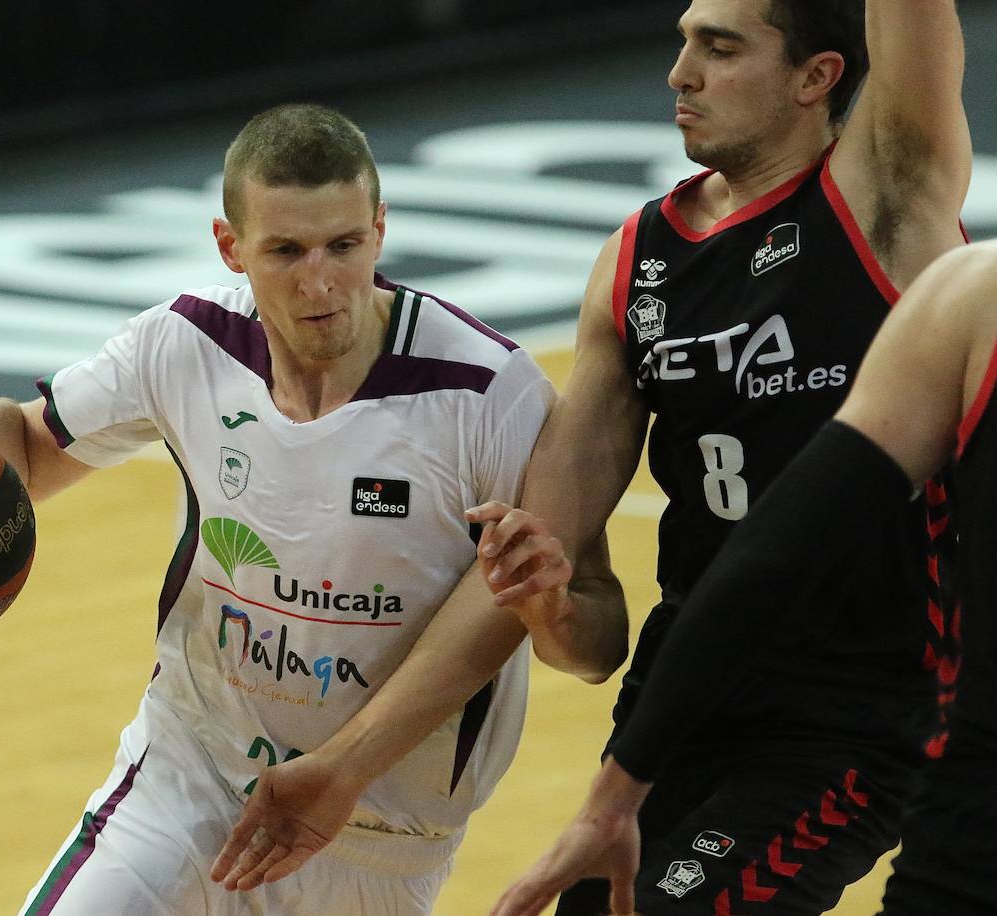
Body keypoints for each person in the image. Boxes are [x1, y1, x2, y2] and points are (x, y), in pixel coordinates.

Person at [0, 103, 621, 915]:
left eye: (344, 246)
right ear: (230, 246)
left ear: (380, 230)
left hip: (379, 841)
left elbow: (597, 646)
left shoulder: (490, 393)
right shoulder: (186, 342)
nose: (320, 281)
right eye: (286, 251)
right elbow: (27, 447)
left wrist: (550, 611)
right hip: (189, 785)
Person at [409, 1, 973, 914]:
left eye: (719, 48)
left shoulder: (884, 198)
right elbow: (586, 640)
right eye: (683, 42)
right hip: (681, 695)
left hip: (852, 713)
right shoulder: (635, 259)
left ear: (816, 77)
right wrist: (548, 600)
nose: (680, 73)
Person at [488, 239, 997, 915]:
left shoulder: (900, 230)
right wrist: (615, 792)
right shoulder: (973, 297)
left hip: (858, 720)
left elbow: (770, 559)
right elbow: (762, 564)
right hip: (716, 704)